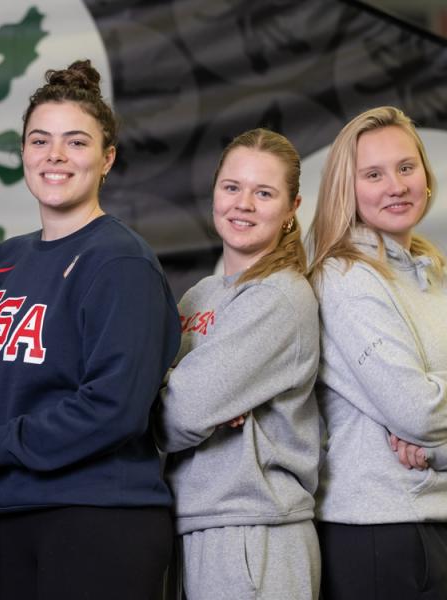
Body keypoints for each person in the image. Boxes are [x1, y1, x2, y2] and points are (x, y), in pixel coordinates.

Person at [0, 59, 180, 600]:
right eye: (40, 141)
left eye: (76, 142)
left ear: (108, 158)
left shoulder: (120, 262)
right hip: (13, 514)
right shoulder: (6, 260)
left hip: (100, 517)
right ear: (22, 154)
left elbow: (114, 408)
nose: (55, 156)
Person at [309, 106, 447, 599]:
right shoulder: (345, 280)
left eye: (406, 168)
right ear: (349, 188)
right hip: (378, 533)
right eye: (373, 174)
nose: (396, 185)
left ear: (426, 177)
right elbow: (415, 410)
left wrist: (441, 453)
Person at [157, 128, 321, 600]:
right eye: (232, 187)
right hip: (195, 523)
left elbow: (180, 413)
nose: (243, 203)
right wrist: (189, 395)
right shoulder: (199, 296)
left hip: (257, 530)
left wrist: (184, 396)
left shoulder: (281, 297)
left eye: (264, 192)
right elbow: (171, 407)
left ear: (292, 208)